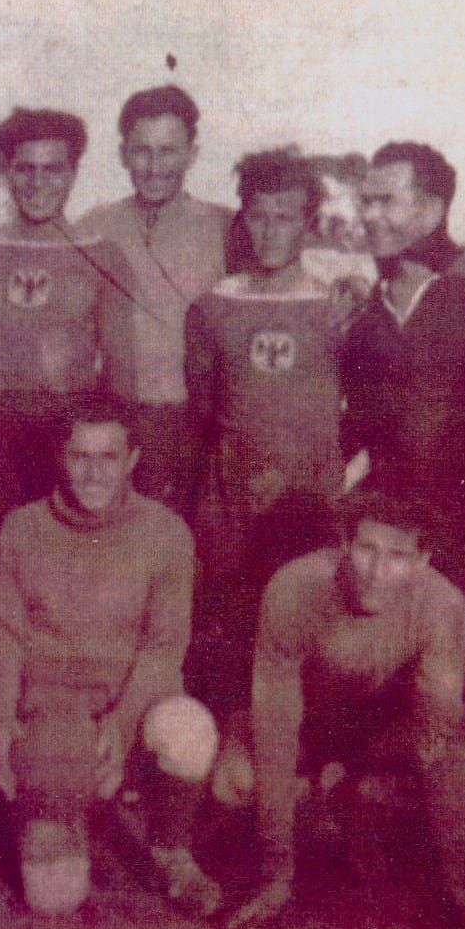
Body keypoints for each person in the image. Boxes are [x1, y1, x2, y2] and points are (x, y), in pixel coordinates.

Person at [341, 141, 465, 898]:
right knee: (396, 685)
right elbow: (356, 424)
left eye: (384, 200)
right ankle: (413, 839)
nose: (369, 214)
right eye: (366, 199)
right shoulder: (369, 309)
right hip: (395, 537)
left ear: (432, 207)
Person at [225, 486, 465, 929]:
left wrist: (463, 887)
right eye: (367, 549)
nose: (377, 572)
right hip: (303, 729)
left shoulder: (443, 605)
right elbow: (276, 727)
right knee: (234, 782)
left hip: (373, 735)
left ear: (422, 560)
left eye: (397, 556)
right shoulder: (295, 586)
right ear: (343, 543)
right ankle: (310, 804)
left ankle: (357, 801)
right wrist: (276, 877)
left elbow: (440, 735)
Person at [0, 395, 222, 916]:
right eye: (80, 456)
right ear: (61, 456)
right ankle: (62, 814)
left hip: (127, 716)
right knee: (53, 901)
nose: (93, 473)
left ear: (131, 459)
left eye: (108, 457)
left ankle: (170, 849)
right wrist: (3, 716)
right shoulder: (22, 528)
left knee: (190, 730)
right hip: (50, 722)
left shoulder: (166, 532)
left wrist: (122, 721)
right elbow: (3, 635)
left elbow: (165, 646)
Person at [183, 151, 357, 803]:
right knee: (233, 626)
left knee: (307, 628)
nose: (270, 231)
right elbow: (205, 409)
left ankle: (308, 773)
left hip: (309, 502)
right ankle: (232, 762)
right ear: (243, 220)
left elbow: (356, 407)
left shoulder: (336, 307)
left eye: (286, 217)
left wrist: (312, 477)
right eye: (258, 216)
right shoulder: (212, 307)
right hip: (232, 500)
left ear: (308, 224)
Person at [0, 107, 138, 557]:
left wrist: (112, 472)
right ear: (7, 171)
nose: (38, 183)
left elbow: (121, 376)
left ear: (73, 173)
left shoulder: (102, 255)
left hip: (71, 444)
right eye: (25, 169)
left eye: (53, 169)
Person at [74, 85, 233, 512]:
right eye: (142, 151)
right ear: (123, 154)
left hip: (193, 425)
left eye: (168, 152)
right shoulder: (94, 226)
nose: (155, 167)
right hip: (118, 421)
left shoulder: (225, 228)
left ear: (192, 154)